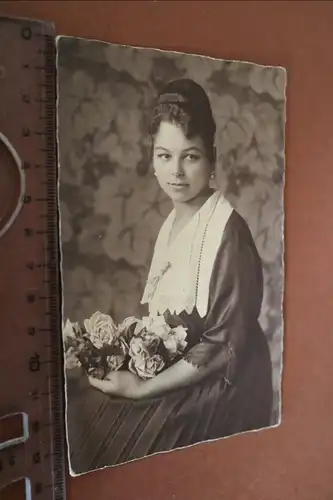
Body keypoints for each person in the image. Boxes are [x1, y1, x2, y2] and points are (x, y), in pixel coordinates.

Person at [66, 78, 273, 474]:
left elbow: (222, 346)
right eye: (165, 156)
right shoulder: (172, 223)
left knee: (93, 423)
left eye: (190, 157)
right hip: (187, 369)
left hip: (222, 387)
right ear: (152, 157)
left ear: (211, 158)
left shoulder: (228, 231)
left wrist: (142, 386)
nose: (175, 172)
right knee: (84, 407)